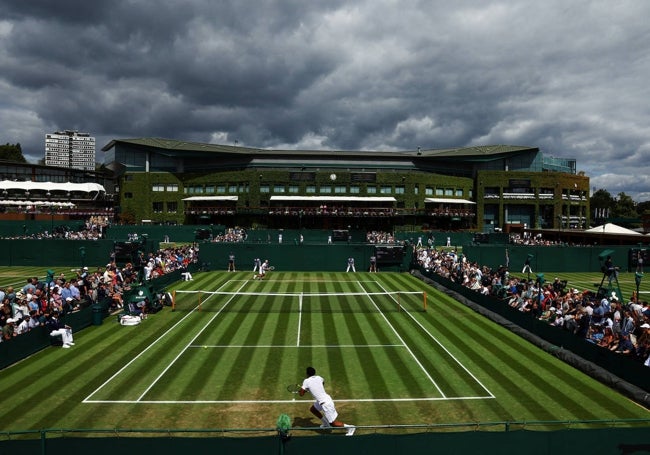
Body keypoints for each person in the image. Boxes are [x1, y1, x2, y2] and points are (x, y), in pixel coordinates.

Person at [299, 366, 355, 436]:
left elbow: (301, 394)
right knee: (313, 409)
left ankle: (350, 427)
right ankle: (325, 423)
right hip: (324, 399)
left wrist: (302, 390)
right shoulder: (319, 378)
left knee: (333, 423)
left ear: (307, 374)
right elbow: (322, 383)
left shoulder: (306, 381)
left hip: (325, 403)